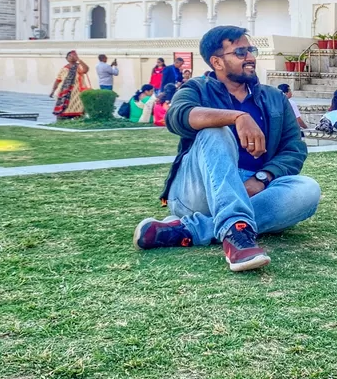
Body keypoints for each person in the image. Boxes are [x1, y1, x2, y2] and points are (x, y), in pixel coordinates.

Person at [133, 25, 320, 273]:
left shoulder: (274, 97)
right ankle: (236, 235)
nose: (251, 57)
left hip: (254, 188)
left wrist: (262, 178)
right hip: (198, 190)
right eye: (241, 52)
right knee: (215, 130)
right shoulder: (196, 88)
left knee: (307, 190)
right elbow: (177, 116)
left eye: (251, 50)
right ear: (217, 62)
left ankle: (190, 229)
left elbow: (294, 148)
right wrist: (236, 117)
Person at [49, 50, 91, 120]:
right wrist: (53, 91)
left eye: (73, 55)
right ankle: (62, 120)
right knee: (64, 109)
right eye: (70, 56)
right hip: (64, 92)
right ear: (66, 58)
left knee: (78, 107)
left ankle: (78, 120)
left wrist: (79, 60)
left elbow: (86, 70)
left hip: (77, 92)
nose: (72, 57)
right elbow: (57, 80)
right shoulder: (64, 68)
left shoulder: (79, 66)